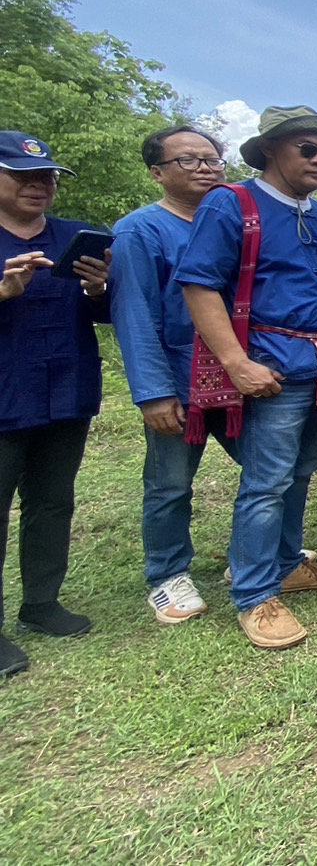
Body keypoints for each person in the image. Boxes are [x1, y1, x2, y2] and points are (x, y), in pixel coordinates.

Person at [175, 106, 317, 650]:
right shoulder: (232, 203)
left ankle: (287, 563)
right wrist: (237, 363)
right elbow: (199, 285)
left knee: (299, 472)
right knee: (266, 482)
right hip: (271, 369)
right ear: (270, 150)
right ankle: (254, 594)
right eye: (308, 149)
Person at [112, 123, 244, 624]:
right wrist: (152, 391)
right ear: (157, 172)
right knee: (170, 482)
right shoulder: (140, 230)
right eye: (189, 160)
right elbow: (134, 313)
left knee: (267, 469)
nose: (205, 168)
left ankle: (249, 555)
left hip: (238, 375)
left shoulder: (232, 222)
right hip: (177, 378)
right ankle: (168, 575)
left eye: (212, 159)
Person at [0, 132, 110, 676]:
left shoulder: (73, 236)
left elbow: (106, 313)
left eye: (46, 176)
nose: (39, 185)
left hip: (65, 390)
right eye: (23, 176)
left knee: (52, 501)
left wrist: (98, 289)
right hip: (5, 393)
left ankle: (41, 603)